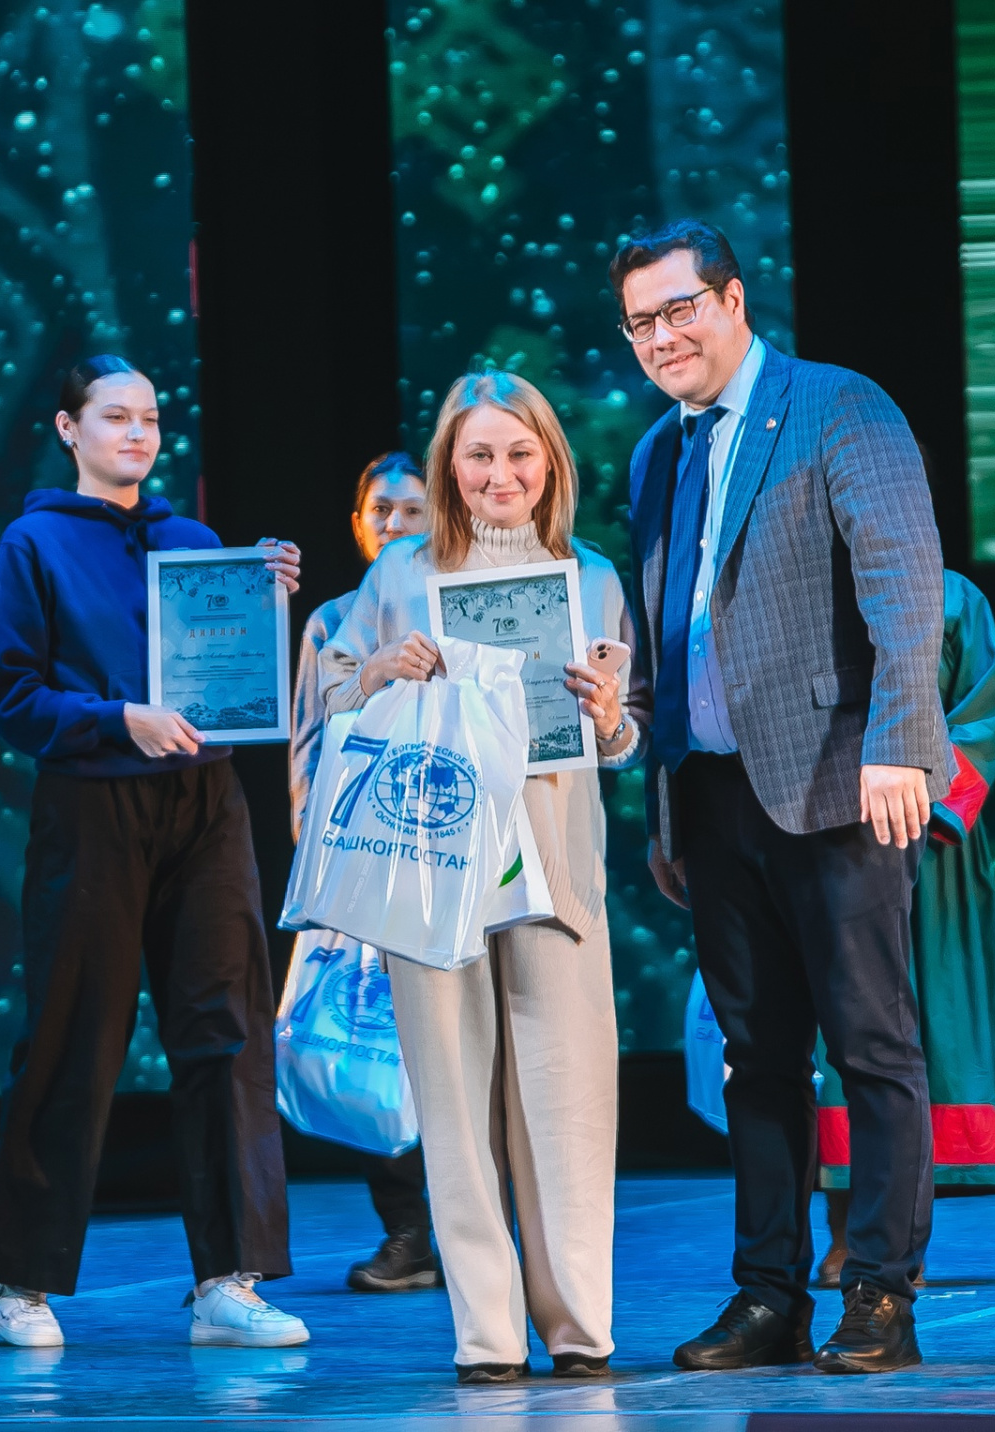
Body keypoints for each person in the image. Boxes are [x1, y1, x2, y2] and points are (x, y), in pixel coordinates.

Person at [618, 219, 949, 1375]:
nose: (663, 337)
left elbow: (905, 582)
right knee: (754, 1061)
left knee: (872, 1045)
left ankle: (881, 1292)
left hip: (841, 781)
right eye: (641, 322)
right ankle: (768, 1297)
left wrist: (903, 743)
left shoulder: (837, 405)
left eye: (680, 309)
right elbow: (666, 638)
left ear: (733, 300)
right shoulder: (655, 454)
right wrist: (664, 807)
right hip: (712, 793)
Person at [319, 371, 647, 1383]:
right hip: (433, 862)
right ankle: (488, 1336)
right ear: (448, 466)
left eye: (518, 452)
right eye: (478, 455)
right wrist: (381, 671)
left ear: (550, 461)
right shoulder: (400, 573)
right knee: (456, 1108)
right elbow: (330, 691)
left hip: (555, 861)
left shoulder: (591, 575)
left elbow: (625, 735)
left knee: (568, 1097)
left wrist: (610, 718)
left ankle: (578, 1325)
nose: (499, 474)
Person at [0, 355, 307, 1349]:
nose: (136, 433)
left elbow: (235, 676)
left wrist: (264, 595)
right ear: (68, 429)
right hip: (95, 804)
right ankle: (20, 1276)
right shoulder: (34, 543)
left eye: (150, 418)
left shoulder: (194, 543)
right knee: (73, 1034)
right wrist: (119, 718)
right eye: (115, 416)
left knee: (226, 1030)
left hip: (205, 804)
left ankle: (227, 1280)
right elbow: (10, 696)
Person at [813, 566, 995, 1287]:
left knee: (918, 1032)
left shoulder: (953, 596)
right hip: (828, 828)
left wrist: (932, 803)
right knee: (834, 1030)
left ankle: (896, 1235)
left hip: (926, 837)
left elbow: (983, 710)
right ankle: (843, 1230)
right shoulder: (807, 584)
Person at [286, 451, 439, 1292]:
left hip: (446, 857)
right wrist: (318, 859)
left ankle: (476, 1231)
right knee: (372, 1040)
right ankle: (407, 1231)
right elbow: (309, 745)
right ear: (357, 524)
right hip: (363, 859)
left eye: (412, 509)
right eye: (380, 510)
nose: (394, 524)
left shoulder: (453, 604)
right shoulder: (333, 622)